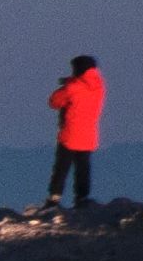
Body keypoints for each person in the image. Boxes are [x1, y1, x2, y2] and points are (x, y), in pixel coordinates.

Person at [43, 55, 106, 211]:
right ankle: (82, 198)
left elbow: (54, 101)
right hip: (89, 135)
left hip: (70, 135)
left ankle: (54, 199)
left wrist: (67, 84)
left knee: (61, 167)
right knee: (83, 168)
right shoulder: (99, 87)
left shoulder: (72, 87)